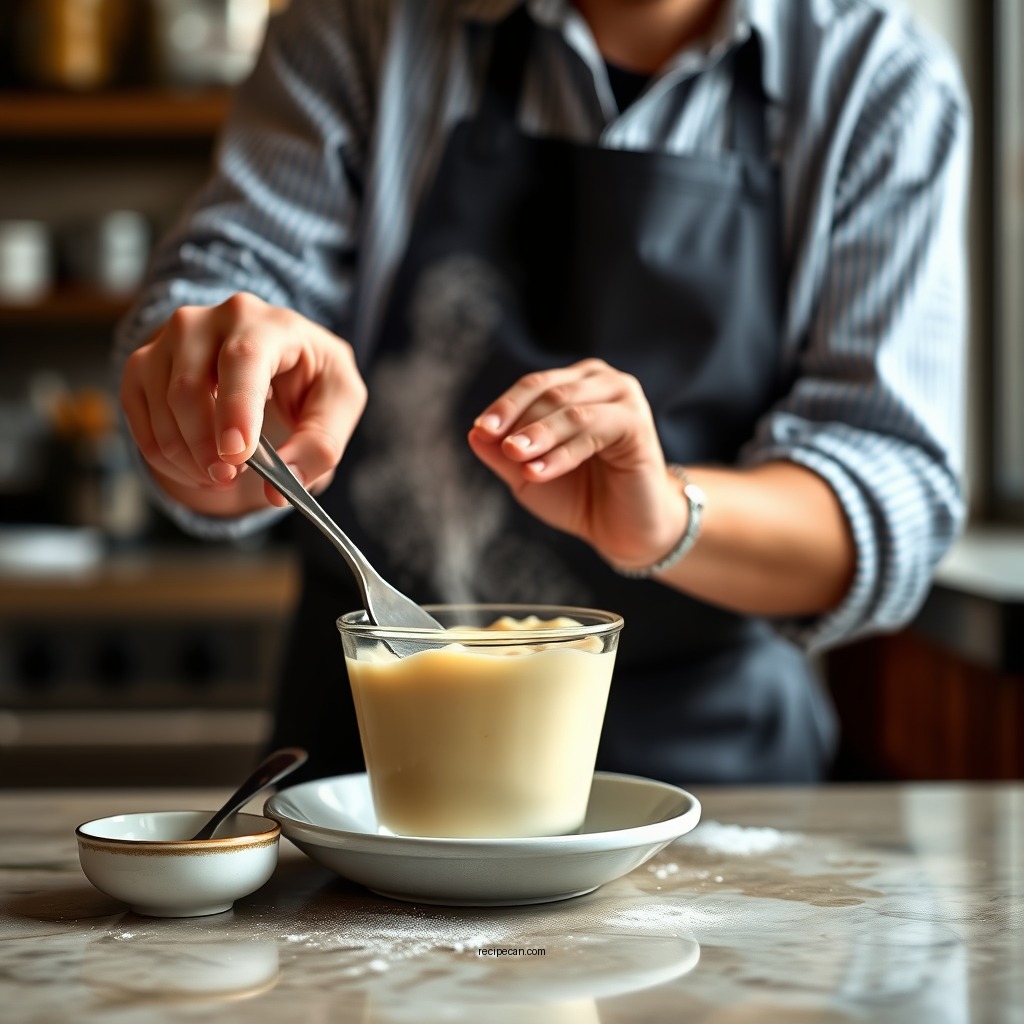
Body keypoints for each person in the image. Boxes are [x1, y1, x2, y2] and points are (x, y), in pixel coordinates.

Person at [115, 0, 970, 787]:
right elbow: (215, 324)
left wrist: (667, 519)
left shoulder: (880, 82)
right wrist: (215, 401)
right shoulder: (360, 23)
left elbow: (888, 485)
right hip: (367, 786)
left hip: (719, 785)